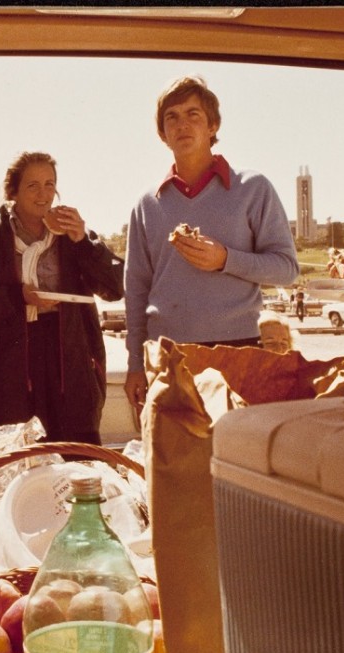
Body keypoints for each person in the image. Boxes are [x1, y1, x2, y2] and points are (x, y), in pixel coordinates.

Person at [123, 75, 299, 410]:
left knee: (236, 457)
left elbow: (287, 269)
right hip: (168, 353)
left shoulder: (253, 188)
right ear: (162, 133)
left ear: (213, 125)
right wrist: (134, 364)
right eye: (171, 117)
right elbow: (136, 291)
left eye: (193, 115)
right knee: (174, 460)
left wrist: (224, 259)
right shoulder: (147, 203)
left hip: (239, 350)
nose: (182, 125)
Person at [0, 151, 124, 444]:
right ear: (13, 193)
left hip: (69, 363)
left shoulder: (73, 234)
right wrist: (15, 297)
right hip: (9, 369)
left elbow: (115, 287)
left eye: (50, 184)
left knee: (76, 460)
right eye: (32, 185)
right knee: (16, 464)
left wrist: (84, 243)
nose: (43, 194)